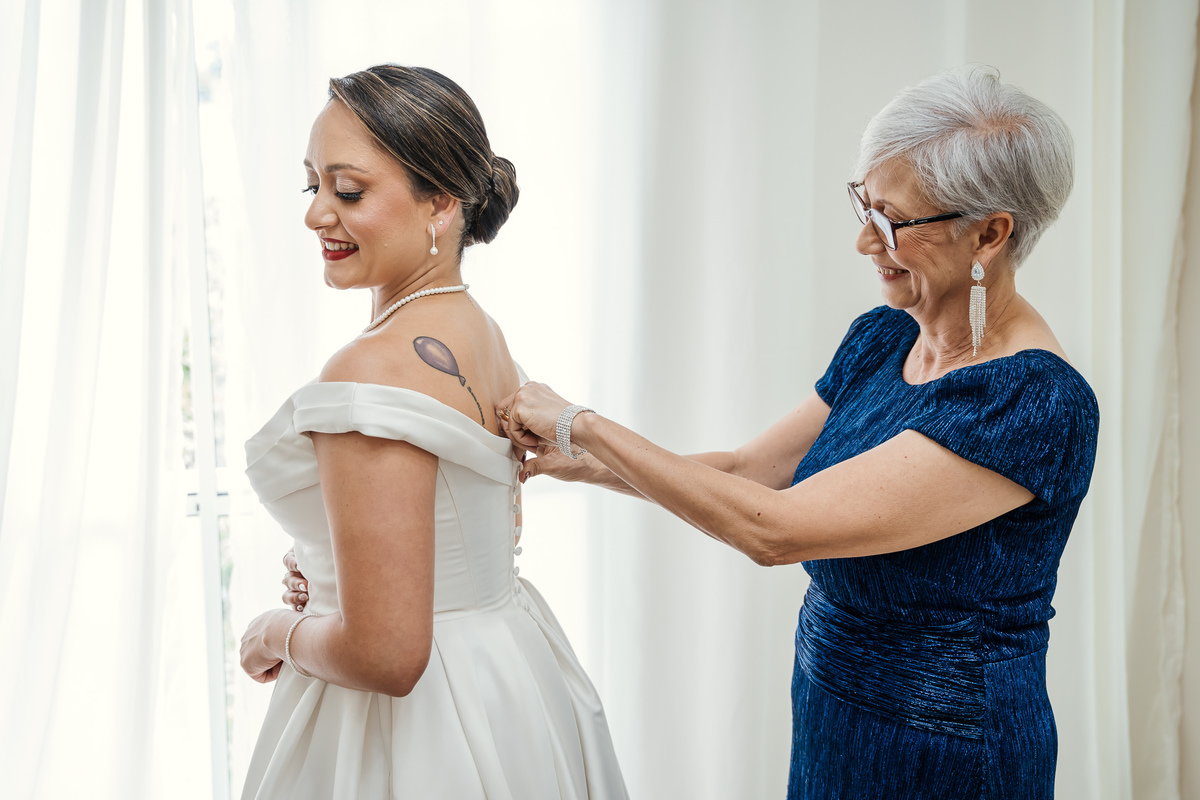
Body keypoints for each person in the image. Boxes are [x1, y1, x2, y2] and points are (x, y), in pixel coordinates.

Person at [496, 67, 1098, 799]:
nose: (863, 243)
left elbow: (774, 530)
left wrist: (582, 423)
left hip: (945, 747)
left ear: (991, 233)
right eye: (865, 207)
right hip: (829, 699)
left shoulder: (1031, 401)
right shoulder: (883, 338)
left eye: (891, 223)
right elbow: (752, 472)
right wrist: (578, 461)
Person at [238, 64, 627, 800]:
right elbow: (451, 520)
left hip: (412, 728)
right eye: (311, 185)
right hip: (506, 676)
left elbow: (387, 654)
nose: (318, 214)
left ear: (441, 205)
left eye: (347, 191)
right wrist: (329, 557)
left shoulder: (371, 369)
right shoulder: (479, 329)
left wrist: (270, 633)